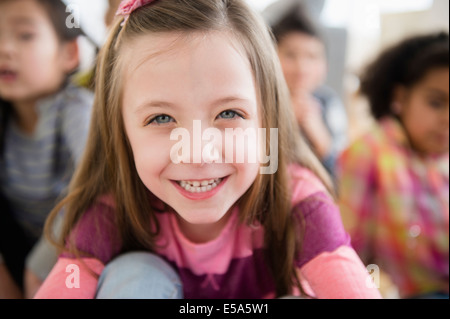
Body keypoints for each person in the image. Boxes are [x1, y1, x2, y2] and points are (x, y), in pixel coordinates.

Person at [34, 0, 381, 299]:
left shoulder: (298, 197)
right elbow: (69, 279)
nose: (198, 153)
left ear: (266, 119)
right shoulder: (113, 207)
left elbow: (348, 282)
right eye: (161, 118)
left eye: (228, 113)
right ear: (120, 132)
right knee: (135, 273)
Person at [337, 32, 449, 299]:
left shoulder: (442, 156)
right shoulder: (369, 151)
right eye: (436, 102)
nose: (447, 119)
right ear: (401, 97)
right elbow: (348, 247)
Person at [0, 0, 93, 298]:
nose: (5, 49)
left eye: (25, 35)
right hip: (19, 251)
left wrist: (39, 266)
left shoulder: (76, 110)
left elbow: (94, 191)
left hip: (79, 247)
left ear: (70, 53)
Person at [271, 5, 348, 178]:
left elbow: (343, 172)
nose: (302, 68)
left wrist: (320, 136)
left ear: (325, 66)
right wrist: (286, 121)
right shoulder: (260, 101)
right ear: (269, 57)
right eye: (290, 55)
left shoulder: (329, 103)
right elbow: (261, 164)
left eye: (312, 56)